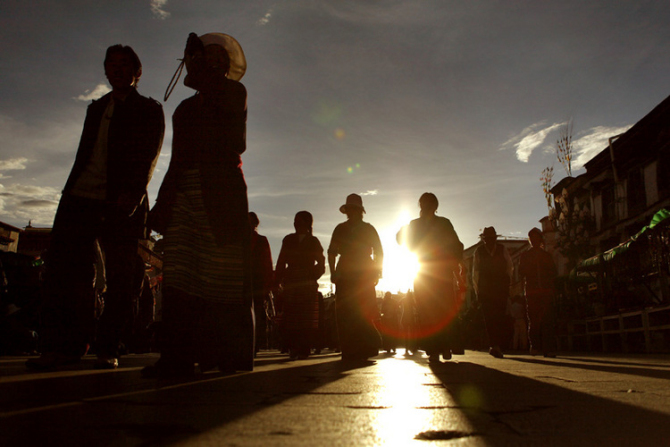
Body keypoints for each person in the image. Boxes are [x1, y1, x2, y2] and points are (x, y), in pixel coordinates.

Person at [26, 45, 164, 370]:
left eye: (124, 64)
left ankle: (108, 347)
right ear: (105, 71)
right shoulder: (96, 108)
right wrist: (69, 192)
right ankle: (63, 347)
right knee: (64, 273)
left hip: (121, 200)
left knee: (120, 277)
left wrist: (133, 194)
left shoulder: (148, 108)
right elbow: (85, 153)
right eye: (111, 64)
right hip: (79, 196)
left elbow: (150, 154)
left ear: (137, 72)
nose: (117, 69)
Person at [142, 32, 252, 378]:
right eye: (206, 56)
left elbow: (235, 142)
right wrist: (163, 202)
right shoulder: (184, 109)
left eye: (218, 57)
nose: (211, 61)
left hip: (221, 192)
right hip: (185, 193)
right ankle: (177, 357)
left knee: (223, 273)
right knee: (180, 274)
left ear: (226, 66)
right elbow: (177, 158)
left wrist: (200, 73)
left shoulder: (235, 93)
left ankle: (229, 354)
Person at [397, 193, 464, 363]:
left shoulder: (416, 224)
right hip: (437, 272)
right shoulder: (443, 223)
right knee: (442, 309)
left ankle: (435, 349)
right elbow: (457, 245)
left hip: (425, 272)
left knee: (429, 311)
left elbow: (400, 239)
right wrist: (457, 264)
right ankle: (443, 346)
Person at [328, 194, 383, 361]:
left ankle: (366, 346)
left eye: (354, 209)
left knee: (364, 311)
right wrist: (333, 272)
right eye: (349, 209)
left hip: (364, 272)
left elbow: (379, 251)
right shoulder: (340, 229)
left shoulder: (369, 229)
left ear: (359, 211)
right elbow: (331, 252)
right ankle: (349, 348)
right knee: (345, 312)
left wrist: (377, 271)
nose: (351, 212)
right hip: (345, 273)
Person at [274, 211, 325, 359]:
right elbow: (281, 261)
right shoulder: (288, 240)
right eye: (295, 221)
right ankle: (293, 346)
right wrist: (278, 280)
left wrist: (312, 275)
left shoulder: (313, 241)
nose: (296, 224)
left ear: (307, 223)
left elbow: (321, 262)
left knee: (306, 317)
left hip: (307, 284)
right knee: (291, 315)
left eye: (300, 221)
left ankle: (304, 347)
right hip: (291, 282)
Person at [473, 226, 513, 358]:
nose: (489, 241)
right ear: (484, 240)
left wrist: (507, 285)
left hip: (500, 289)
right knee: (489, 318)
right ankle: (494, 345)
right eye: (487, 238)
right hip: (486, 290)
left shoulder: (502, 249)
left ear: (495, 239)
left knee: (500, 317)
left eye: (491, 238)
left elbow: (509, 267)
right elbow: (476, 272)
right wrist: (478, 290)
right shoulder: (479, 251)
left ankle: (498, 344)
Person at [518, 227, 557, 357]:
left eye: (536, 238)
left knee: (547, 319)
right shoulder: (525, 256)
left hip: (545, 291)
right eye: (532, 238)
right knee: (534, 319)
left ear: (540, 239)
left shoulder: (546, 256)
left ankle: (548, 348)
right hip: (532, 291)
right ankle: (535, 346)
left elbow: (553, 272)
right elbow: (521, 272)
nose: (534, 240)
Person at [249, 212, 274, 353]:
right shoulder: (241, 240)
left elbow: (267, 263)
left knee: (257, 312)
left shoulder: (261, 240)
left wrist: (268, 285)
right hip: (243, 280)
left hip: (257, 282)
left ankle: (255, 343)